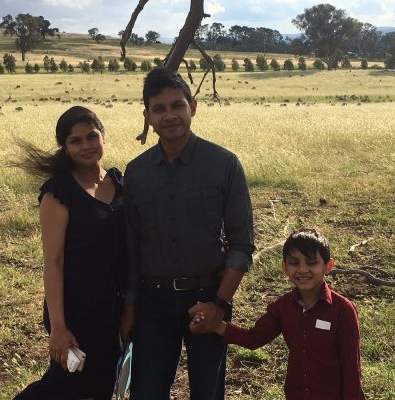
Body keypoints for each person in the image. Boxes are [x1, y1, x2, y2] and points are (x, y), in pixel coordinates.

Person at [121, 67, 255, 399]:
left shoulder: (224, 164)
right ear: (147, 116)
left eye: (177, 105)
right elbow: (132, 249)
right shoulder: (135, 173)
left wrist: (219, 304)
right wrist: (130, 307)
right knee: (146, 392)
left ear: (192, 107)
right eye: (159, 109)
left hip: (208, 296)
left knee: (207, 393)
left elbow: (241, 244)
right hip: (153, 302)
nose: (169, 116)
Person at [13, 106, 126, 400]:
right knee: (64, 386)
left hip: (115, 308)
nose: (86, 146)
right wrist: (59, 327)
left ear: (103, 136)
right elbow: (53, 262)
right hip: (77, 310)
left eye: (92, 136)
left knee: (104, 383)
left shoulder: (120, 183)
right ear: (65, 147)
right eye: (76, 141)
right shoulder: (59, 193)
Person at [190, 228, 365, 400]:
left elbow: (351, 369)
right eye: (294, 263)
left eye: (311, 263)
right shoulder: (283, 307)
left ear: (328, 266)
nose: (302, 269)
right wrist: (215, 324)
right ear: (285, 267)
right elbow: (254, 338)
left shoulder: (343, 311)